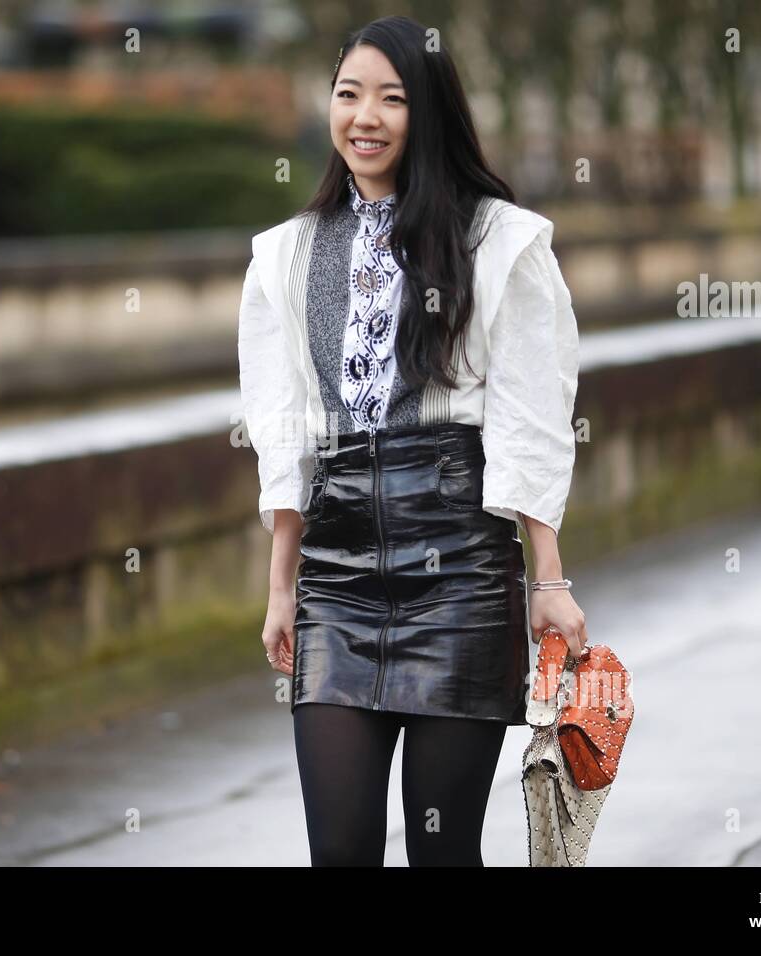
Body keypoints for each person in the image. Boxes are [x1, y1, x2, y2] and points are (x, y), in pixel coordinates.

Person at [236, 15, 587, 866]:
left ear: (426, 113)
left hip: (459, 575)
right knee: (342, 850)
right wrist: (282, 589)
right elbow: (286, 434)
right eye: (348, 94)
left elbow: (528, 416)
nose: (365, 116)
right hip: (338, 580)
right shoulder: (285, 255)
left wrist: (548, 581)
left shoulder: (498, 242)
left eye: (391, 99)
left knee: (442, 854)